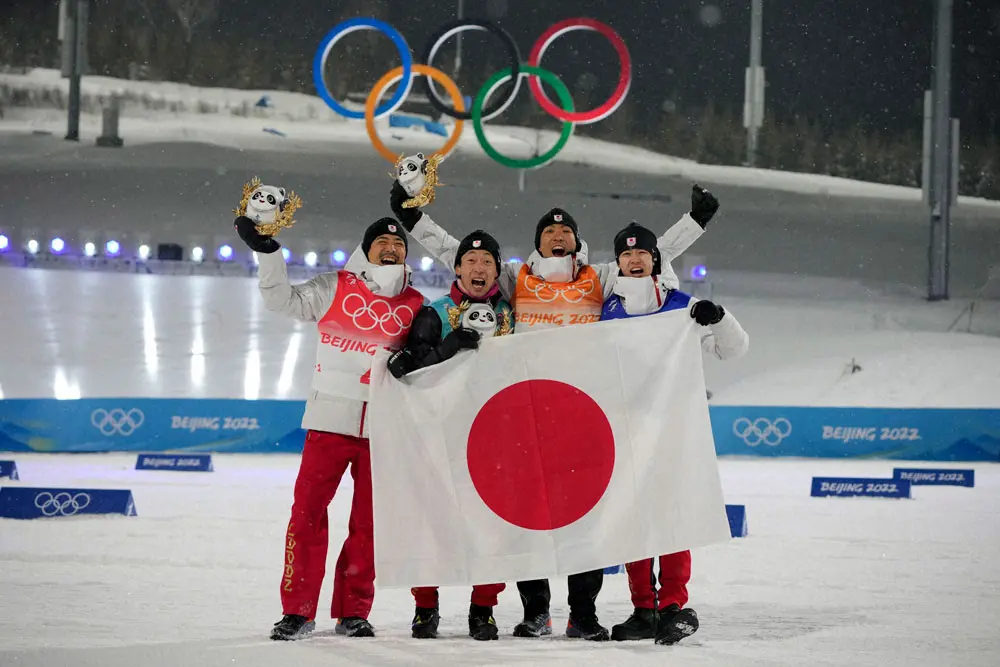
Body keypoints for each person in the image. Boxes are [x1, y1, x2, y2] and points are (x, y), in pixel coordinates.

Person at [389, 175, 720, 641]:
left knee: (583, 518)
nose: (558, 236)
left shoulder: (596, 277)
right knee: (527, 518)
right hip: (526, 417)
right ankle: (536, 611)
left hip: (581, 417)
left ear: (577, 241)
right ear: (538, 243)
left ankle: (583, 613)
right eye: (549, 232)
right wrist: (413, 218)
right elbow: (461, 257)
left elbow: (645, 257)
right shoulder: (517, 277)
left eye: (565, 231)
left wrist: (695, 222)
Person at [234, 206, 425, 641]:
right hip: (329, 422)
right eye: (383, 242)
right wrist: (267, 253)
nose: (393, 248)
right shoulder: (334, 286)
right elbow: (281, 300)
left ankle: (353, 611)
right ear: (366, 249)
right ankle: (297, 611)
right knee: (306, 516)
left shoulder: (416, 305)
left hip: (383, 430)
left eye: (399, 243)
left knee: (369, 526)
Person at [600, 221, 748, 645]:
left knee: (672, 522)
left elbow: (733, 350)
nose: (634, 259)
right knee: (634, 523)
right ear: (618, 262)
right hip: (624, 431)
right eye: (626, 254)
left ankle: (673, 607)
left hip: (671, 433)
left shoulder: (683, 307)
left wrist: (719, 319)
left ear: (655, 259)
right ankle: (643, 608)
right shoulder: (603, 308)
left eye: (642, 253)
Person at [387, 230, 513, 641]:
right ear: (457, 268)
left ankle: (484, 610)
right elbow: (407, 368)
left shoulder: (513, 317)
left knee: (491, 526)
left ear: (497, 271)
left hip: (494, 439)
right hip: (438, 436)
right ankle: (425, 607)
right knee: (430, 521)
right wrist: (446, 349)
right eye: (471, 262)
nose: (479, 269)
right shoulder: (433, 313)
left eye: (488, 263)